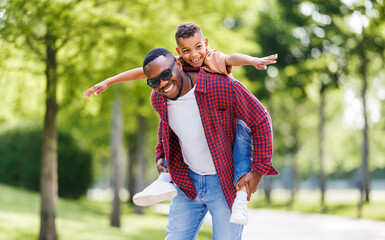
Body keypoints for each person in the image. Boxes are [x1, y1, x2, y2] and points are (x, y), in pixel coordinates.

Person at [84, 22, 277, 225]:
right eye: (187, 50)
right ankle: (164, 180)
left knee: (240, 147)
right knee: (173, 125)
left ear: (206, 43)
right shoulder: (175, 67)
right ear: (179, 52)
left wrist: (253, 61)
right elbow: (144, 72)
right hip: (190, 177)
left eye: (198, 47)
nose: (194, 55)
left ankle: (240, 199)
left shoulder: (213, 59)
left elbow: (233, 58)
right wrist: (109, 81)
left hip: (228, 128)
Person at [143, 47, 278, 239]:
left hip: (224, 183)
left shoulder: (220, 86)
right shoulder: (158, 99)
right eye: (154, 81)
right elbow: (166, 126)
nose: (162, 83)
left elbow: (261, 119)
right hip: (186, 182)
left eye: (166, 74)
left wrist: (258, 171)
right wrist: (161, 155)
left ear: (178, 65)